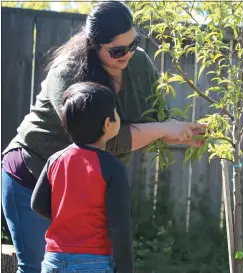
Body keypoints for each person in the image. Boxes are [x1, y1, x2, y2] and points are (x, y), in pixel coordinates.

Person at [1, 2, 206, 273]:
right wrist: (164, 129)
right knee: (35, 266)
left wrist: (179, 133)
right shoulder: (69, 72)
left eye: (133, 44)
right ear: (95, 44)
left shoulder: (139, 62)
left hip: (80, 190)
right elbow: (108, 139)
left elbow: (159, 117)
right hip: (33, 173)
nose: (128, 54)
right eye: (118, 50)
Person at [31, 82, 133, 273]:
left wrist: (70, 220)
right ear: (107, 124)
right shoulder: (112, 168)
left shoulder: (55, 160)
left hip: (54, 259)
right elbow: (119, 227)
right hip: (93, 262)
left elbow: (37, 204)